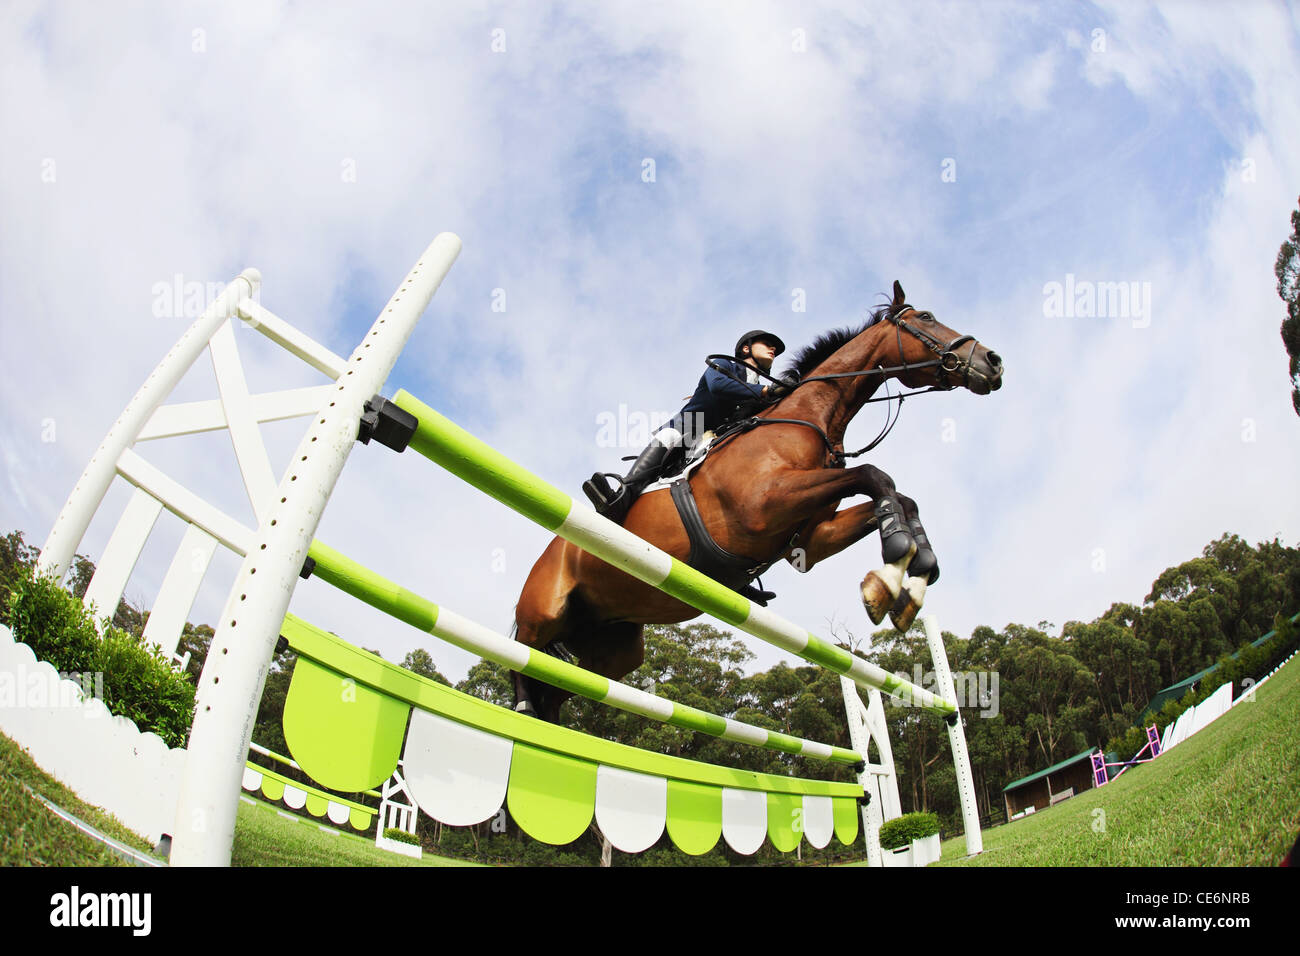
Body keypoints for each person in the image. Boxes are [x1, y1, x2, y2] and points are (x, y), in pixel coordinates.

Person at [583, 330, 790, 524]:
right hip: (692, 424)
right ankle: (620, 496)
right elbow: (718, 387)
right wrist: (765, 390)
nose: (772, 349)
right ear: (747, 348)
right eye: (767, 344)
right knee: (670, 438)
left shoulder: (761, 389)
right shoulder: (724, 363)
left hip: (717, 436)